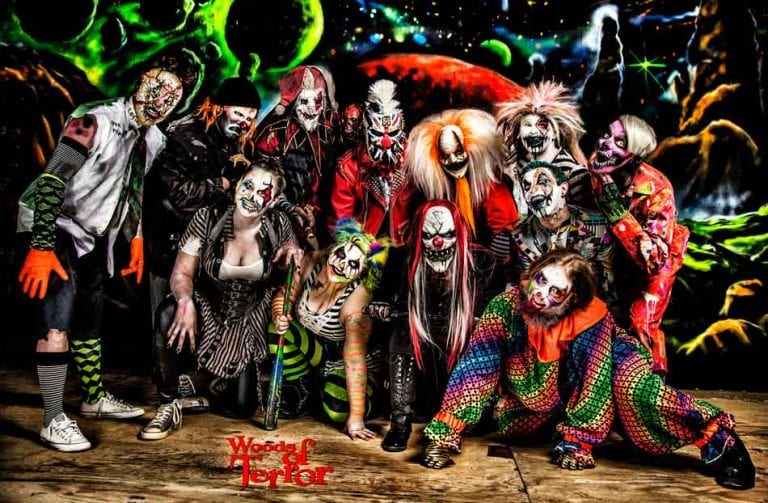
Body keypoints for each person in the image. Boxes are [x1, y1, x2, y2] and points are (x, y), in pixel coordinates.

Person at [420, 249, 755, 491]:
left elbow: (593, 381)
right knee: (518, 421)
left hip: (614, 361)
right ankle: (571, 426)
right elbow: (478, 366)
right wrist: (446, 432)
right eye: (540, 280)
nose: (540, 295)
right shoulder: (505, 307)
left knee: (635, 393)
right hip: (554, 388)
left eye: (556, 292)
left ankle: (722, 442)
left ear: (572, 300)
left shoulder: (590, 320)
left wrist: (579, 441)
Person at [16, 50, 200, 452]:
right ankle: (52, 418)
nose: (162, 99)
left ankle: (93, 398)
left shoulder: (152, 138)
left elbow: (132, 189)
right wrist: (42, 244)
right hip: (54, 223)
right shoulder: (94, 119)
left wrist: (134, 238)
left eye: (173, 96)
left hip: (92, 233)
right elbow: (52, 179)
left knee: (90, 314)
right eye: (159, 85)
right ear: (142, 77)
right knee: (57, 320)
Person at [139, 158, 301, 440]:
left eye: (263, 192)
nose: (251, 196)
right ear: (237, 185)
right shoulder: (208, 218)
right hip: (208, 309)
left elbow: (292, 265)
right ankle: (169, 403)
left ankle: (204, 387)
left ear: (273, 201)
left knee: (241, 407)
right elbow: (181, 273)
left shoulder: (278, 224)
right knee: (168, 310)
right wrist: (185, 300)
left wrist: (292, 254)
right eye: (247, 186)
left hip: (248, 320)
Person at [143, 76, 262, 406]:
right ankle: (169, 392)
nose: (244, 122)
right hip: (169, 244)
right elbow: (177, 196)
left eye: (250, 117)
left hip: (209, 249)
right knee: (171, 317)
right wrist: (223, 183)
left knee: (204, 316)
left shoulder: (236, 142)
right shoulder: (183, 135)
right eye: (239, 114)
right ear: (218, 108)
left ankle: (198, 382)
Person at [366, 199, 502, 452]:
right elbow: (383, 295)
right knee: (402, 334)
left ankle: (463, 415)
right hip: (417, 330)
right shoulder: (401, 257)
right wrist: (382, 305)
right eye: (429, 236)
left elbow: (493, 305)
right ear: (419, 235)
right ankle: (400, 423)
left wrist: (479, 319)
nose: (438, 243)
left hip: (458, 334)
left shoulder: (481, 261)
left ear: (459, 233)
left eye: (447, 235)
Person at [270, 218, 390, 440]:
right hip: (316, 351)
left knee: (337, 408)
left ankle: (368, 397)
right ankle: (302, 386)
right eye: (341, 254)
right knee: (277, 331)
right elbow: (286, 294)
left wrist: (356, 418)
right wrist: (280, 314)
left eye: (353, 265)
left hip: (345, 362)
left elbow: (354, 359)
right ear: (333, 248)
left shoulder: (357, 298)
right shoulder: (311, 262)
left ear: (361, 273)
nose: (342, 265)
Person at [588, 114, 689, 374]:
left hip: (656, 258)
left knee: (641, 322)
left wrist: (619, 215)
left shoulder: (658, 190)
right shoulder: (598, 165)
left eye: (620, 142)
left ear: (634, 156)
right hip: (613, 255)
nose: (606, 143)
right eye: (608, 134)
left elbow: (655, 260)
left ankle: (648, 382)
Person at [397, 108, 519, 247]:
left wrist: (499, 247)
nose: (453, 160)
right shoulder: (430, 194)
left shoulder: (491, 187)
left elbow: (505, 231)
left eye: (459, 152)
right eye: (445, 156)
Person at [251, 65, 340, 249]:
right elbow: (263, 179)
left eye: (318, 101)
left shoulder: (329, 132)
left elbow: (332, 178)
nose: (312, 109)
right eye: (305, 101)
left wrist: (314, 208)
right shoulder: (275, 134)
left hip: (318, 222)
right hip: (277, 220)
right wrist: (290, 209)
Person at [506, 160, 615, 305]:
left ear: (563, 189)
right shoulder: (520, 236)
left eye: (543, 182)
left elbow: (608, 277)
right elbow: (523, 282)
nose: (532, 190)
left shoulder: (597, 225)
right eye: (527, 187)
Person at [495, 80, 595, 224]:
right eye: (527, 125)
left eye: (542, 125)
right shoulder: (516, 166)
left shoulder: (575, 174)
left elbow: (590, 223)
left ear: (555, 132)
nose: (533, 131)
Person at [329, 79, 409, 243]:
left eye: (392, 134)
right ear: (366, 131)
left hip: (406, 245)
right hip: (365, 245)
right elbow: (341, 222)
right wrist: (355, 248)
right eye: (378, 134)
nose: (386, 142)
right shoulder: (348, 167)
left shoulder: (415, 158)